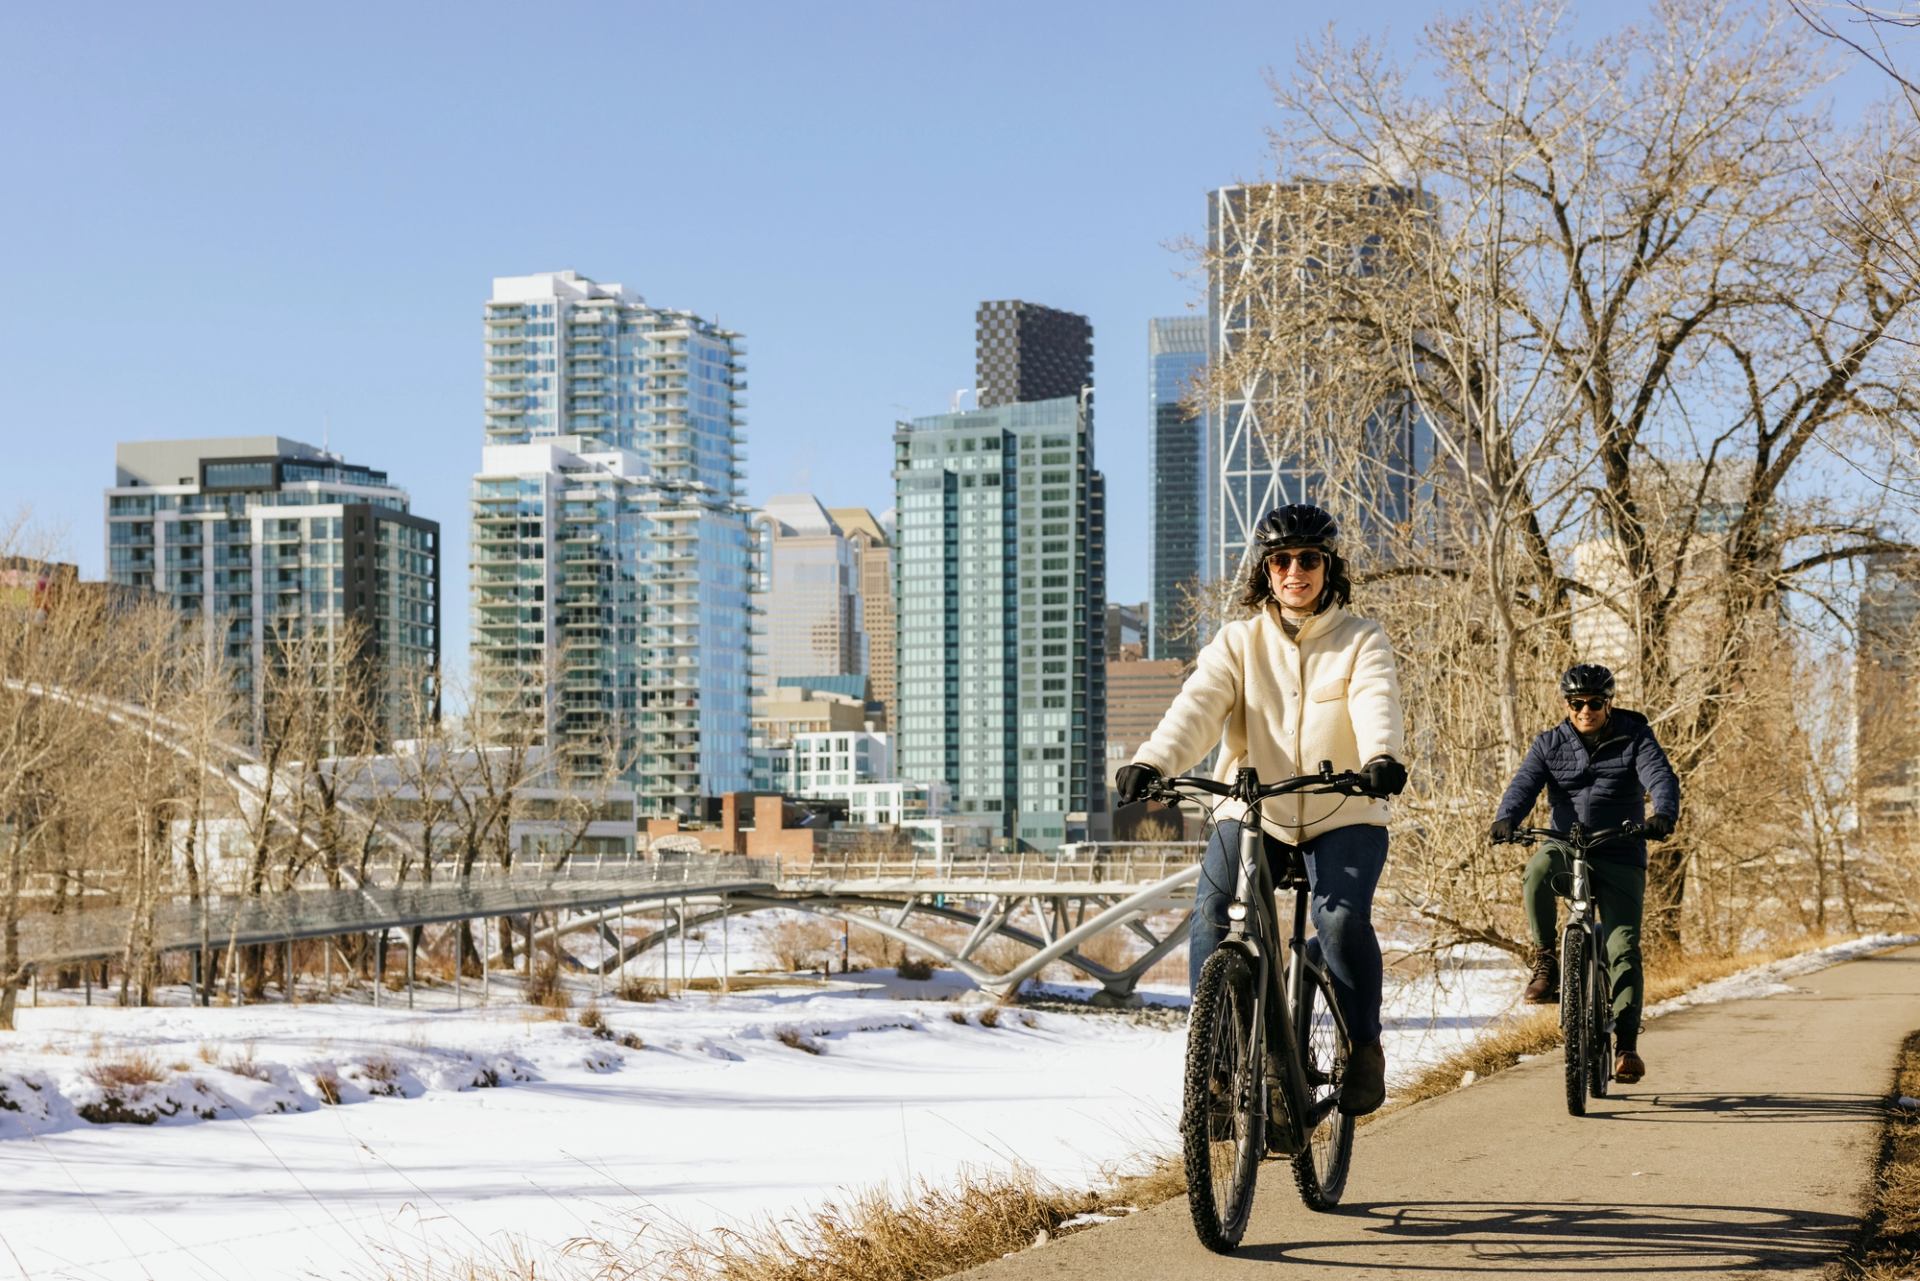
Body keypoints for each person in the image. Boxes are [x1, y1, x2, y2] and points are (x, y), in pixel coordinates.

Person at [1115, 503, 1407, 1118]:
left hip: (1343, 811)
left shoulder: (1361, 639)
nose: (1294, 570)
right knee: (1213, 910)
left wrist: (1381, 756)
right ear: (1265, 571)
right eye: (1281, 560)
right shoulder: (1238, 642)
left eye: (1307, 559)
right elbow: (1197, 707)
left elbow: (1376, 700)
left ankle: (1364, 1050)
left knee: (1337, 921)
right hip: (1253, 810)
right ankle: (1217, 1068)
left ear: (1328, 568)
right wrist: (1153, 762)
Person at [1488, 663, 1680, 1085]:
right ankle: (1546, 962)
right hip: (1566, 845)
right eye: (1578, 703)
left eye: (1595, 703)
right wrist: (1506, 819)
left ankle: (1626, 1045)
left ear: (1608, 703)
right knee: (1537, 870)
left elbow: (1660, 777)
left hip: (1620, 848)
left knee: (1623, 947)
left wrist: (1662, 813)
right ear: (1567, 705)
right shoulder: (1549, 743)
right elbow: (1523, 786)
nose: (1586, 710)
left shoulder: (1635, 738)